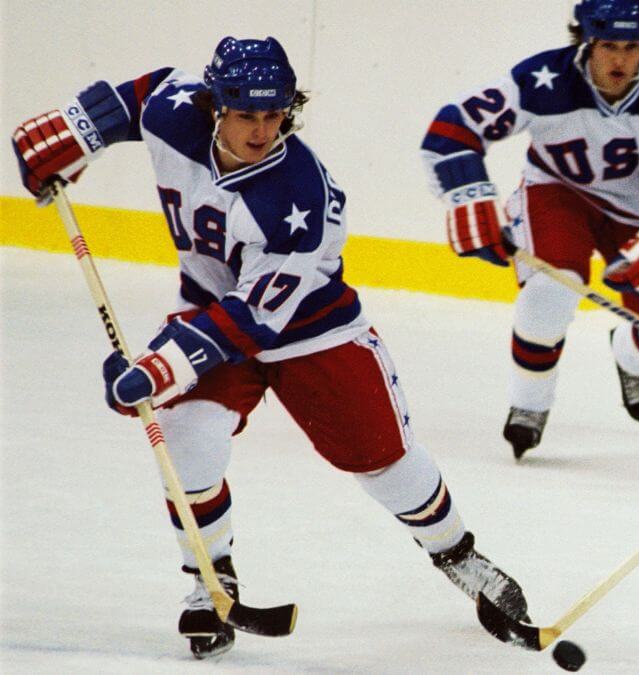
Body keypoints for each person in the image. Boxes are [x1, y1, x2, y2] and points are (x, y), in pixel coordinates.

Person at [11, 36, 529, 659]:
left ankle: (459, 556)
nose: (261, 130)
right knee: (187, 443)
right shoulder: (176, 110)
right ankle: (210, 579)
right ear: (213, 106)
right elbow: (140, 95)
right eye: (246, 114)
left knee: (385, 463)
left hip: (312, 331)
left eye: (274, 114)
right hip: (209, 306)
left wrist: (160, 367)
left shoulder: (299, 196)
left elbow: (250, 320)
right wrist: (75, 132)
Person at [420, 0, 639, 459]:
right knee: (552, 291)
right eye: (608, 45)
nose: (619, 60)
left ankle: (628, 355)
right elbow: (454, 127)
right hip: (559, 193)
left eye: (632, 47)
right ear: (585, 41)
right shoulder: (542, 81)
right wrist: (467, 194)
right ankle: (528, 405)